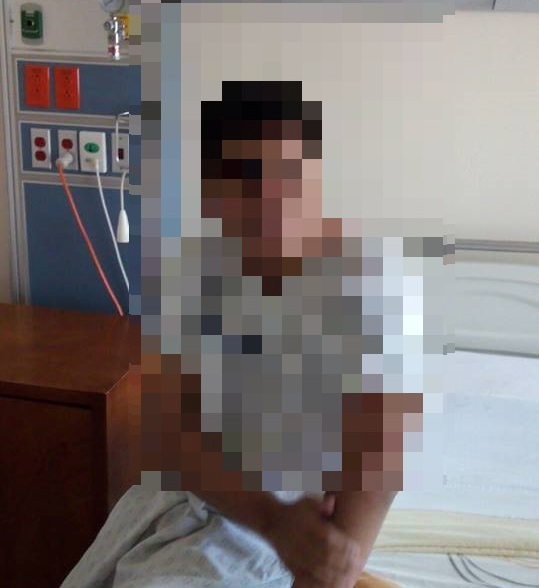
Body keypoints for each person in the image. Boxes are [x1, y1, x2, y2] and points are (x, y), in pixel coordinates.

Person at [61, 81, 419, 588]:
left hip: (280, 533)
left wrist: (328, 561)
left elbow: (378, 462)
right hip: (194, 505)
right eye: (246, 178)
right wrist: (267, 517)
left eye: (286, 174)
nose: (270, 197)